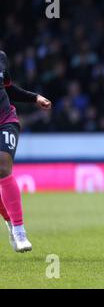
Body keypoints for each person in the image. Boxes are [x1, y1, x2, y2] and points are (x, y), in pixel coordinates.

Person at [0, 50, 52, 252]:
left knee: (3, 167)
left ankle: (20, 231)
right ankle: (10, 222)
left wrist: (35, 97)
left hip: (5, 120)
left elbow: (8, 88)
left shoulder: (1, 57)